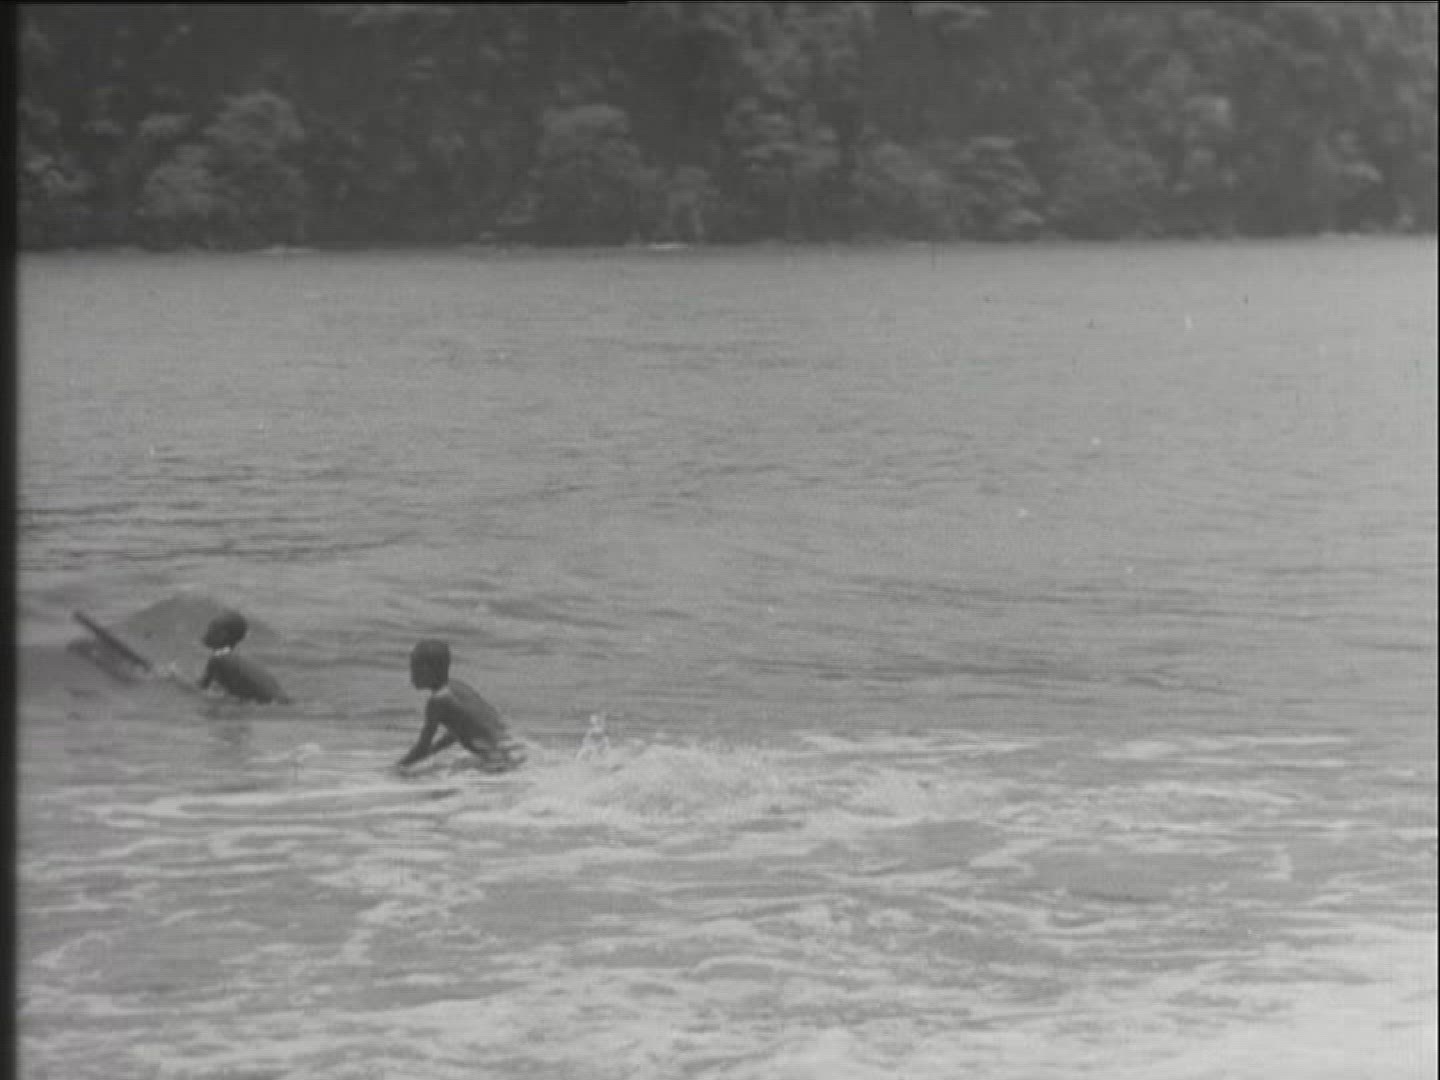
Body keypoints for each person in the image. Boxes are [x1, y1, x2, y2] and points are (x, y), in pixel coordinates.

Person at [396, 639, 526, 773]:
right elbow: (462, 729)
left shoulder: (437, 701)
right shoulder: (458, 687)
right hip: (514, 747)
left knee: (423, 779)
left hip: (498, 759)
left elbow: (422, 747)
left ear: (427, 670)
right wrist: (433, 751)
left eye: (414, 669)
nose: (411, 676)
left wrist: (398, 767)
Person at [196, 610, 291, 705]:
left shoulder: (217, 660)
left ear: (222, 635)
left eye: (211, 628)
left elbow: (199, 689)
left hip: (271, 704)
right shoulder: (236, 659)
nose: (206, 632)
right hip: (282, 701)